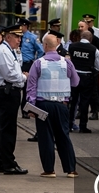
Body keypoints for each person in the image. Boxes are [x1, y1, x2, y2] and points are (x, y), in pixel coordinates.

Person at [26, 34, 80, 178]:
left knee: (46, 137)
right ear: (56, 46)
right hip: (62, 105)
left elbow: (31, 86)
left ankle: (49, 170)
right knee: (64, 136)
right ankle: (71, 170)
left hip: (42, 105)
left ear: (44, 46)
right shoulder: (66, 63)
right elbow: (75, 82)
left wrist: (31, 106)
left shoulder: (38, 63)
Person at [0, 25, 28, 174]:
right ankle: (8, 163)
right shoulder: (3, 51)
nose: (19, 40)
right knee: (7, 129)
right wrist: (24, 77)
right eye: (16, 37)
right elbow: (10, 75)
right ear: (8, 37)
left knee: (2, 128)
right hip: (7, 92)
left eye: (20, 37)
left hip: (9, 91)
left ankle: (0, 162)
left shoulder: (9, 51)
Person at [68, 30, 99, 133]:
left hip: (73, 76)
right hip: (87, 77)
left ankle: (69, 124)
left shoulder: (71, 46)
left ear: (80, 37)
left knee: (72, 101)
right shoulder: (94, 49)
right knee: (85, 102)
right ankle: (83, 126)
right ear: (91, 38)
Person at [18, 19, 44, 118]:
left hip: (27, 64)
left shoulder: (32, 37)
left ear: (25, 26)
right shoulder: (17, 36)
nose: (20, 28)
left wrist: (36, 62)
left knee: (26, 89)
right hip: (17, 64)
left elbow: (40, 51)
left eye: (21, 26)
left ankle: (25, 110)